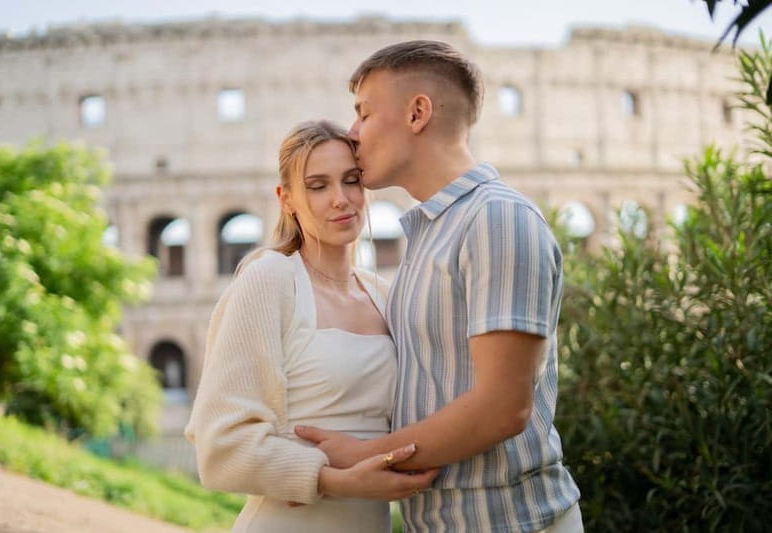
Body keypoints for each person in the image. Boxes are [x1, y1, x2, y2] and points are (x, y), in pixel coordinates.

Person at [295, 41, 583, 532]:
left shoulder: (496, 219)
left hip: (512, 521)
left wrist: (365, 456)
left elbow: (502, 407)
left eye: (364, 112)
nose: (353, 132)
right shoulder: (431, 234)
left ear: (418, 113)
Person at [185, 120, 438, 533]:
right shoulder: (270, 279)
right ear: (287, 200)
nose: (341, 199)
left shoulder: (384, 293)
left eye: (351, 181)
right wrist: (335, 480)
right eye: (318, 186)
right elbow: (219, 449)